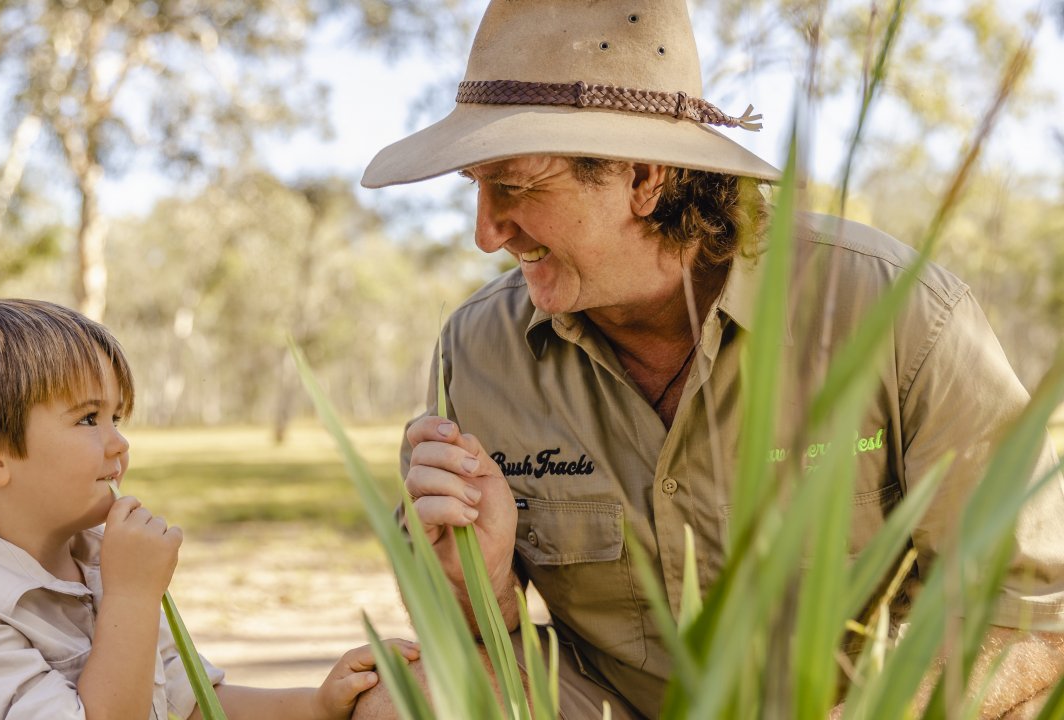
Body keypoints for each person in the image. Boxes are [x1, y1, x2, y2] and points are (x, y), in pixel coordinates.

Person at [353, 1, 1064, 718]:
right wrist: (478, 586)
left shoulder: (895, 312)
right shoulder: (478, 352)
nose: (485, 232)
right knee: (400, 699)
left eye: (514, 185)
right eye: (473, 186)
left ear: (643, 178)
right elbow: (480, 649)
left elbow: (1030, 614)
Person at [0, 298, 416, 719]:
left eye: (119, 419)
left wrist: (316, 706)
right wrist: (133, 597)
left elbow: (192, 703)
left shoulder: (100, 565)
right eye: (89, 419)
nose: (118, 444)